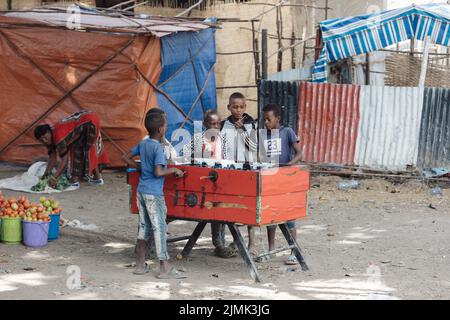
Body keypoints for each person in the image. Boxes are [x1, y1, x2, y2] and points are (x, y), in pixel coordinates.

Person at [124, 110, 187, 278]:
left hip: (141, 191)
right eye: (165, 125)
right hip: (154, 194)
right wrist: (173, 169)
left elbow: (126, 157)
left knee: (144, 227)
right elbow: (158, 172)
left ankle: (140, 264)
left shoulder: (144, 144)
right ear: (160, 129)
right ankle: (165, 267)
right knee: (159, 228)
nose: (166, 127)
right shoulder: (158, 148)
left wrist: (139, 167)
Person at [258, 103, 303, 265]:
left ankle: (294, 251)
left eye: (269, 120)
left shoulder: (288, 132)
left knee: (289, 216)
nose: (266, 123)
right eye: (264, 120)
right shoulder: (264, 135)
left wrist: (289, 166)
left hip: (286, 180)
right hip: (271, 180)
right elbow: (264, 157)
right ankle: (271, 250)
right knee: (271, 216)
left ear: (277, 119)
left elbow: (300, 153)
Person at [220, 92, 258, 256]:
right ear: (229, 107)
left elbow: (255, 147)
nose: (238, 110)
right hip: (229, 171)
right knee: (229, 206)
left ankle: (251, 243)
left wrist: (242, 130)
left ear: (245, 107)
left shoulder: (251, 124)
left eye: (241, 107)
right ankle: (234, 241)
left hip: (246, 170)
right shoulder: (223, 125)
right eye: (234, 107)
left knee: (248, 206)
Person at [34, 110, 107, 189]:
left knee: (83, 149)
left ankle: (79, 180)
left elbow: (64, 161)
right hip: (87, 118)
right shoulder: (51, 136)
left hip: (90, 121)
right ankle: (95, 179)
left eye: (45, 137)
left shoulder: (59, 137)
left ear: (49, 131)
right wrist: (45, 176)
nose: (44, 141)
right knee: (77, 146)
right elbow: (52, 157)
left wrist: (54, 177)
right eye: (41, 140)